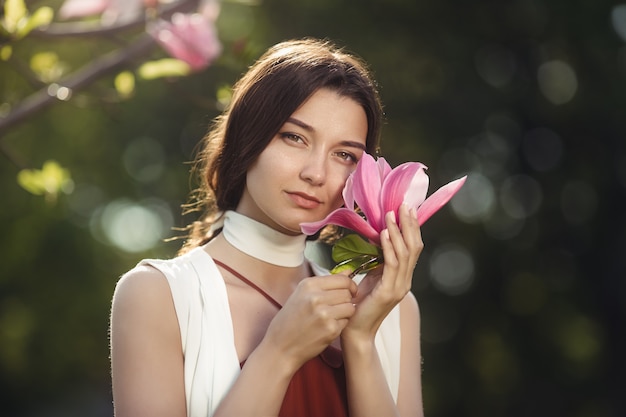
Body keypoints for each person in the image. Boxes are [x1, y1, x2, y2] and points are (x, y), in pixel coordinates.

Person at [110, 38, 424, 417]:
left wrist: (359, 341)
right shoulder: (158, 296)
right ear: (249, 137)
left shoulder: (392, 310)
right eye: (294, 137)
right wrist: (279, 351)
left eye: (344, 155)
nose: (316, 173)